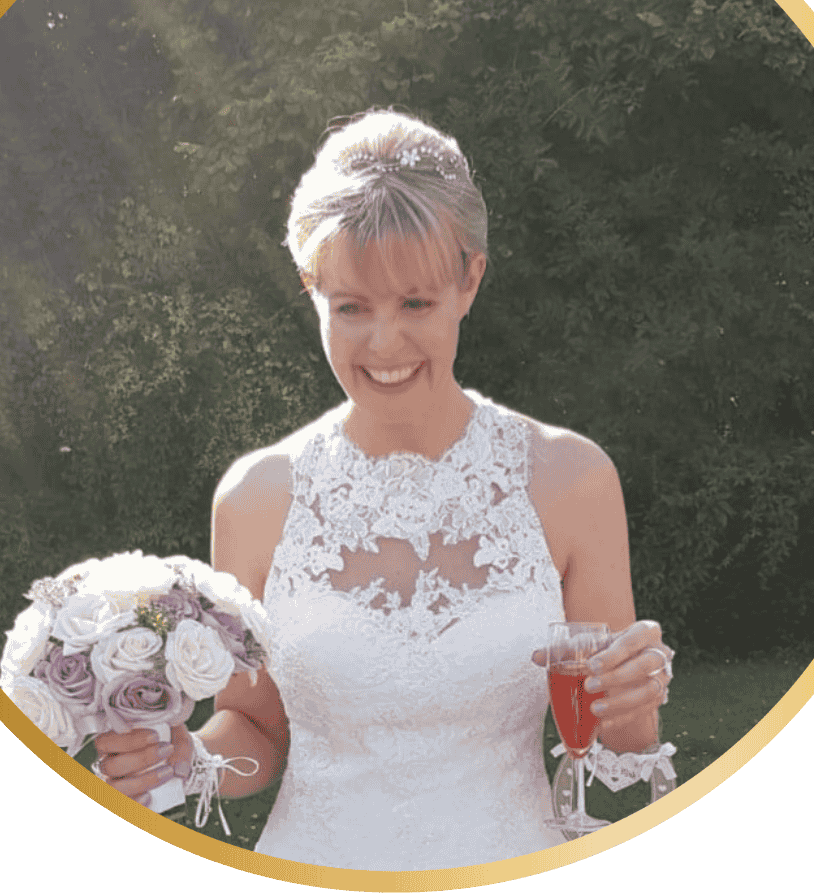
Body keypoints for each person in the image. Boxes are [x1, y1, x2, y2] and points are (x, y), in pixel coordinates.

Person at [92, 110, 675, 869]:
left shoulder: (571, 480)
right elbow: (257, 727)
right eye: (351, 308)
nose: (383, 343)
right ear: (312, 289)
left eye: (415, 304)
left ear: (470, 280)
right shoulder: (255, 499)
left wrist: (633, 708)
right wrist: (188, 757)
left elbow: (612, 737)